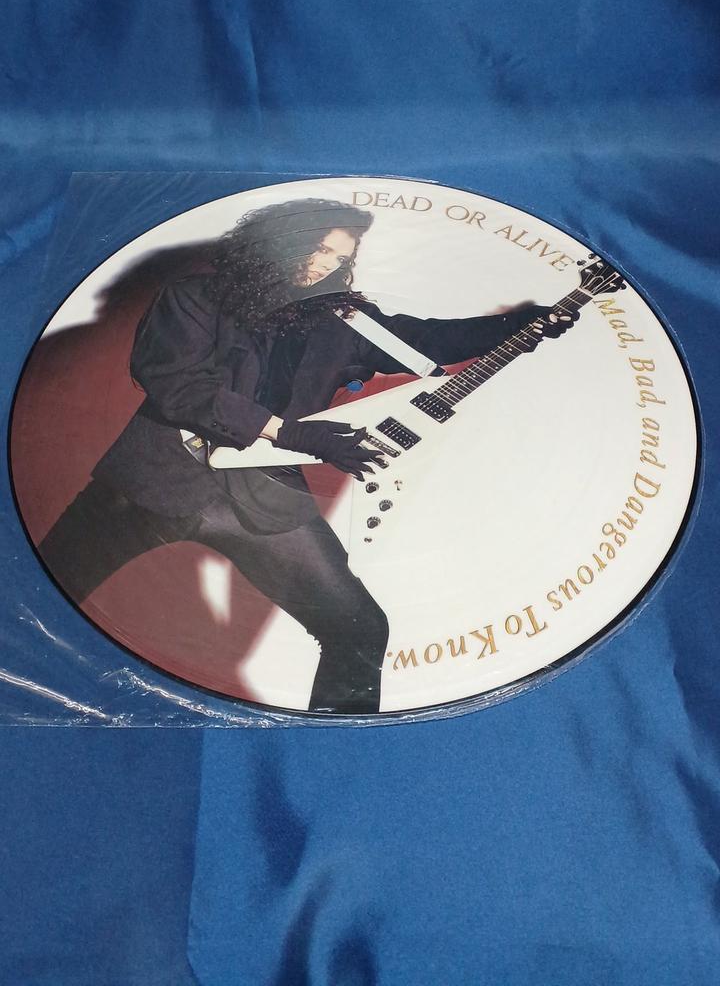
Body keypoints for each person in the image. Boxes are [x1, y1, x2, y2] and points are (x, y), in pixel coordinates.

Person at [39, 197, 577, 714]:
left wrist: (515, 325)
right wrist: (292, 434)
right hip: (150, 487)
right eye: (318, 248)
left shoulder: (339, 321)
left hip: (263, 501)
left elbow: (421, 339)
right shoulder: (194, 296)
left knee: (359, 629)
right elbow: (182, 387)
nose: (324, 266)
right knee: (40, 596)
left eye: (339, 258)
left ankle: (340, 738)